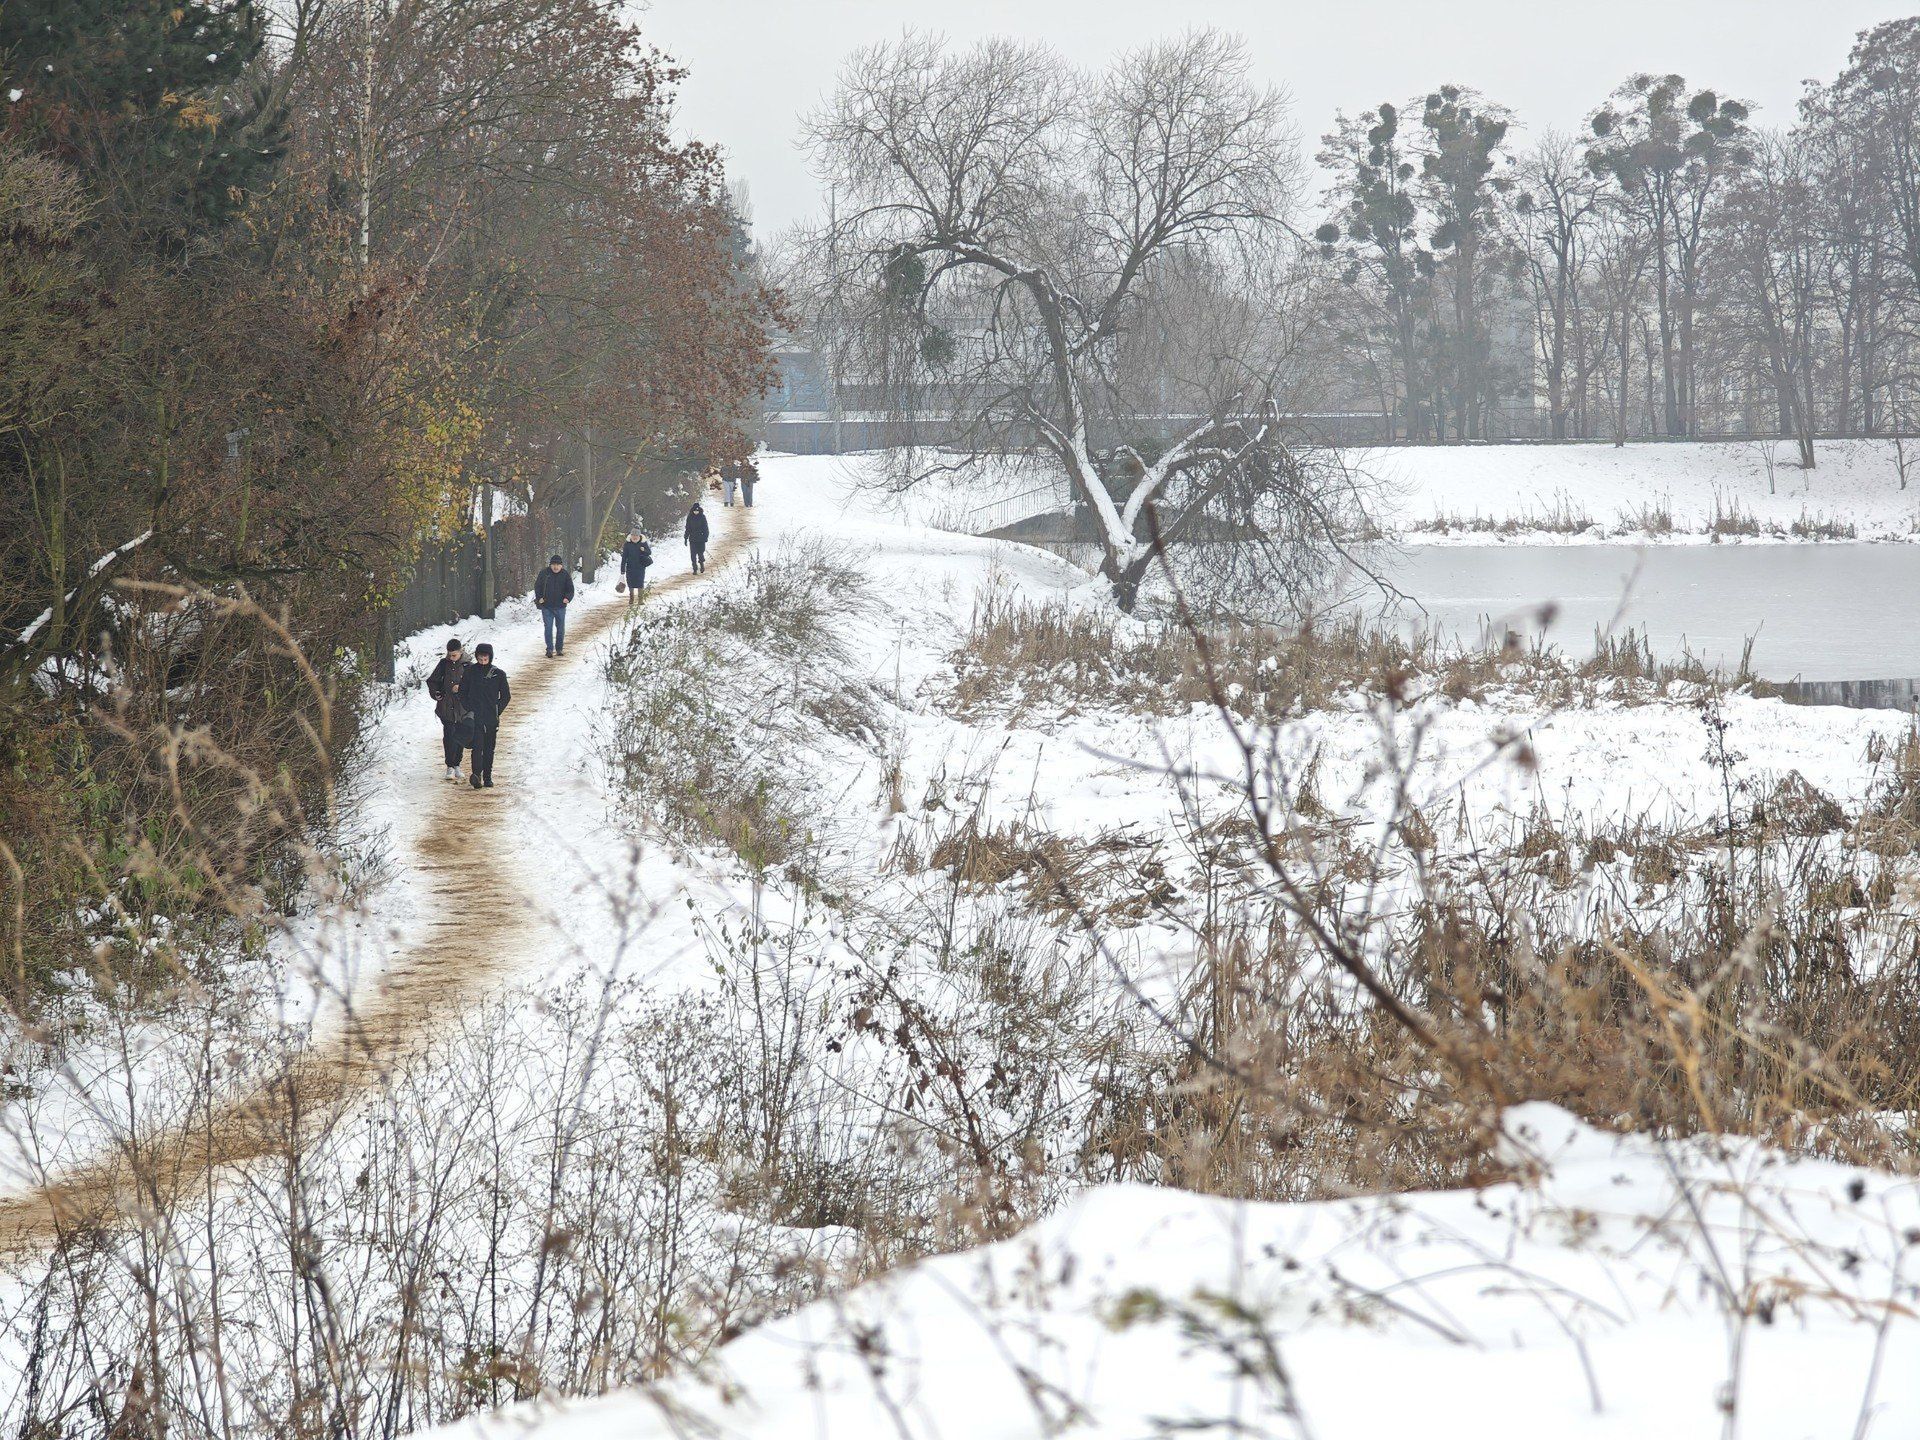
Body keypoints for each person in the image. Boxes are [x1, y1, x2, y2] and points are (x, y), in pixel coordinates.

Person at [462, 642, 510, 788]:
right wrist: (468, 708)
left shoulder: (499, 674)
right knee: (477, 747)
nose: (483, 661)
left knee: (489, 748)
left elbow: (506, 696)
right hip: (475, 716)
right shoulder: (470, 672)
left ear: (490, 658)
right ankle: (476, 775)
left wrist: (497, 710)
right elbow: (462, 692)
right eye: (480, 658)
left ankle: (487, 777)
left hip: (491, 718)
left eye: (485, 659)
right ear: (476, 657)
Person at [425, 636, 470, 782]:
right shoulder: (443, 664)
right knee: (449, 735)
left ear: (461, 652)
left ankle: (457, 764)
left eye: (454, 655)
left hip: (463, 708)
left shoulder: (468, 665)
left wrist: (462, 688)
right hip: (446, 707)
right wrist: (437, 693)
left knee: (460, 736)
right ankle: (450, 765)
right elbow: (432, 681)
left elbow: (475, 685)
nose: (451, 658)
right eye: (449, 655)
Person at [533, 553, 574, 656]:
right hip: (547, 606)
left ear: (561, 566)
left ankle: (559, 649)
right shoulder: (544, 573)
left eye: (558, 565)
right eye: (553, 565)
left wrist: (567, 598)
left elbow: (570, 589)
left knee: (560, 629)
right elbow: (537, 586)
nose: (556, 567)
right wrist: (539, 598)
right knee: (548, 628)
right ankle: (549, 649)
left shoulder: (565, 575)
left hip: (560, 607)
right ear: (550, 565)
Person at [619, 529, 653, 609]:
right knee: (630, 583)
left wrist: (644, 550)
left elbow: (649, 552)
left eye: (636, 536)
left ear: (639, 536)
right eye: (633, 536)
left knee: (640, 582)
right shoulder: (627, 544)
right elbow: (624, 557)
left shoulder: (643, 543)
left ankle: (640, 600)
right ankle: (631, 598)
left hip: (640, 567)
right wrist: (622, 569)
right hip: (630, 567)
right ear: (631, 536)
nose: (634, 537)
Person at [684, 501, 710, 574]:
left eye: (697, 511)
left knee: (700, 553)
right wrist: (685, 538)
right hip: (692, 539)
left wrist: (705, 537)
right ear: (693, 511)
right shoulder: (690, 517)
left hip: (701, 539)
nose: (696, 512)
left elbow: (705, 528)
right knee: (693, 555)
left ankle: (701, 564)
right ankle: (695, 568)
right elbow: (687, 528)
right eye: (695, 511)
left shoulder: (702, 517)